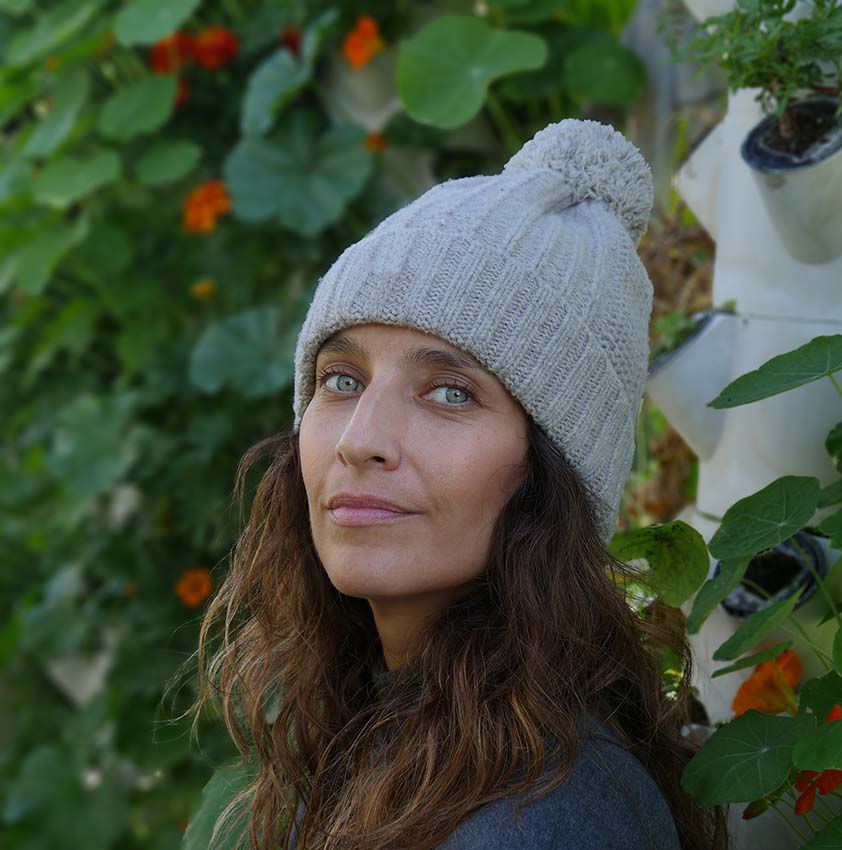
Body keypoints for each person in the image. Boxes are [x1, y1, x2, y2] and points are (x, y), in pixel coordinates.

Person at [188, 119, 730, 850]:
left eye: (450, 393)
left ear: (552, 472)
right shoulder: (379, 730)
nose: (360, 441)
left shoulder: (542, 819)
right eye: (341, 380)